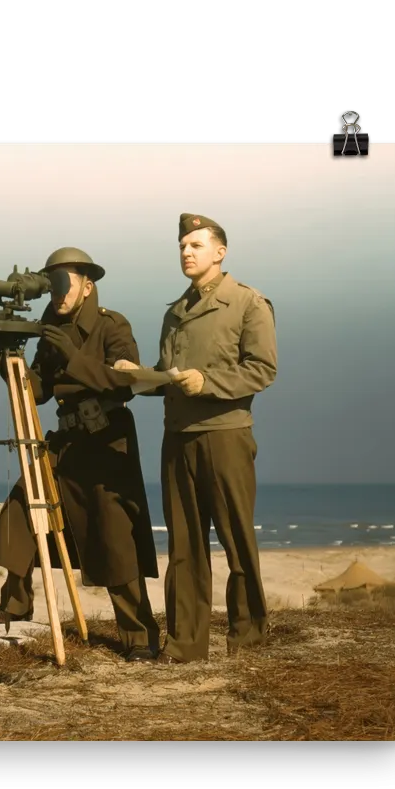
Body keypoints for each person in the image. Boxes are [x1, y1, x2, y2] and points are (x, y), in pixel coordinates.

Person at [0, 247, 162, 662]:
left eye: (64, 282)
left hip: (105, 441)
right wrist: (15, 364)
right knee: (22, 507)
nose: (58, 293)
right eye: (52, 284)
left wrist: (73, 357)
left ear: (87, 285)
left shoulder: (111, 325)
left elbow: (124, 384)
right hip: (66, 442)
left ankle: (139, 637)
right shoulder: (51, 326)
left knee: (115, 537)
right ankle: (15, 603)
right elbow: (42, 392)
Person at [116, 213, 277, 662]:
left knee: (237, 539)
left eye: (196, 245)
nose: (186, 252)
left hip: (225, 437)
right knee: (184, 545)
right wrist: (138, 378)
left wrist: (205, 382)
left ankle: (247, 638)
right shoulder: (174, 313)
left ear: (220, 252)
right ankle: (185, 644)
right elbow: (172, 376)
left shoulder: (247, 303)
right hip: (177, 439)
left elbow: (262, 369)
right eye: (182, 246)